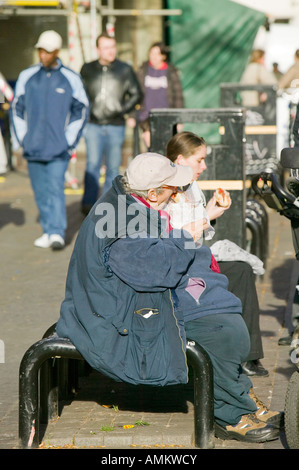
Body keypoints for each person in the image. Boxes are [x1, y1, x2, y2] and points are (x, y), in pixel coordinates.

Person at [56, 152, 282, 443]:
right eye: (172, 187)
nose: (177, 192)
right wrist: (185, 238)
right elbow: (154, 270)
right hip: (116, 316)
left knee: (221, 308)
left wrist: (183, 239)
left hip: (131, 296)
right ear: (152, 193)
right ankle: (231, 414)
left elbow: (155, 257)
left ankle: (240, 395)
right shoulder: (121, 225)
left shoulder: (128, 202)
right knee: (221, 332)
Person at [165, 131, 268, 377]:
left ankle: (249, 356)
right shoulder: (166, 190)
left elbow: (198, 235)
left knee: (242, 269)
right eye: (199, 160)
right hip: (180, 272)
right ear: (180, 160)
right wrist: (206, 217)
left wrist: (210, 213)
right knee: (231, 278)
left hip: (194, 260)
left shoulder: (191, 186)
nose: (204, 165)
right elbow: (171, 237)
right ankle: (231, 354)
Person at [10, 30, 89, 250]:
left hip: (58, 148)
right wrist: (23, 139)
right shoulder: (27, 76)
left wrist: (69, 141)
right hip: (33, 146)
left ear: (56, 52)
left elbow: (81, 110)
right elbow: (16, 108)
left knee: (55, 188)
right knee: (40, 191)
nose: (43, 55)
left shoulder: (70, 78)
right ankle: (47, 229)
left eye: (47, 51)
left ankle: (56, 232)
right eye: (40, 50)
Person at [80, 33, 142, 215]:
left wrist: (122, 110)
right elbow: (79, 93)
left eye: (113, 47)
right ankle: (88, 205)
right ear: (98, 49)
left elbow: (137, 93)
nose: (110, 51)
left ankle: (108, 206)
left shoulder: (124, 69)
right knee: (92, 165)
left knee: (113, 167)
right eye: (106, 47)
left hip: (116, 125)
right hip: (93, 124)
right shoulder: (87, 69)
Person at [127, 41, 184, 150]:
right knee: (151, 148)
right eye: (152, 53)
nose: (154, 57)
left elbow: (178, 96)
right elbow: (135, 96)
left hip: (166, 116)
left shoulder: (171, 72)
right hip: (147, 117)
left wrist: (179, 119)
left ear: (163, 56)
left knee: (167, 148)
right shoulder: (142, 71)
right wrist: (132, 116)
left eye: (157, 54)